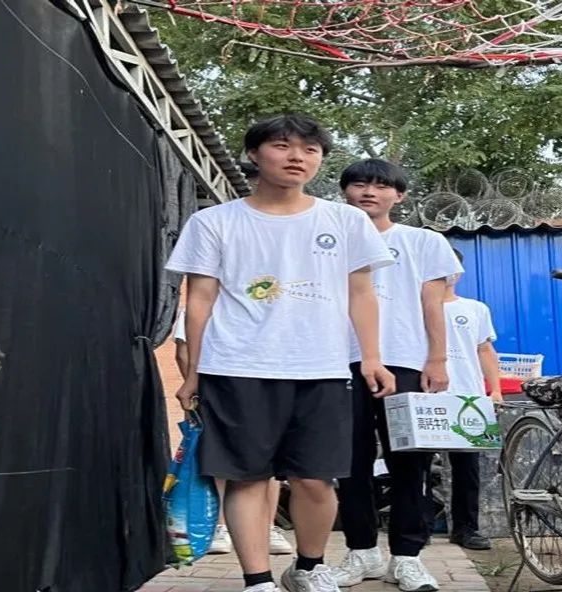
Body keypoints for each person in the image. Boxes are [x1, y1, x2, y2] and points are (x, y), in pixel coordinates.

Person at [165, 115, 396, 592]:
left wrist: (372, 357)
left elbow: (362, 293)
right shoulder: (214, 221)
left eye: (310, 150)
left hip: (323, 368)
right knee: (248, 478)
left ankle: (308, 567)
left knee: (316, 480)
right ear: (254, 154)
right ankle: (258, 581)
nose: (297, 157)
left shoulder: (346, 220)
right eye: (282, 146)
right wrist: (192, 372)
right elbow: (201, 299)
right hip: (236, 366)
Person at [331, 159, 463, 592]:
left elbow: (433, 304)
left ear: (399, 195)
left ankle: (407, 557)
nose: (369, 192)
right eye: (359, 184)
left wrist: (437, 359)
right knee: (348, 461)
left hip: (406, 360)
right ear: (345, 191)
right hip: (338, 362)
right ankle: (362, 552)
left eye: (381, 185)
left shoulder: (423, 241)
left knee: (410, 461)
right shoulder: (328, 241)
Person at [174, 307, 293, 555]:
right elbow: (183, 352)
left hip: (262, 389)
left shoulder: (267, 305)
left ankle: (267, 527)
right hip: (215, 390)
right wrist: (197, 387)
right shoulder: (198, 306)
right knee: (220, 459)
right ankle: (220, 527)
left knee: (267, 462)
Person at [441, 248, 502, 551]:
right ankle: (415, 530)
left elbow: (485, 350)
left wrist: (495, 389)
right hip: (424, 395)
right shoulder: (412, 306)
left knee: (468, 467)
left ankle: (466, 529)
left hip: (468, 397)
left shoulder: (476, 309)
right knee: (416, 466)